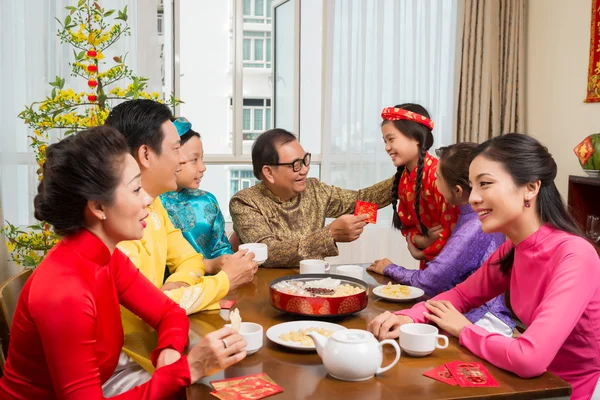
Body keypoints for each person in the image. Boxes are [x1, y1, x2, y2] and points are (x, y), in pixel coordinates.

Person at [0, 126, 247, 399]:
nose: (147, 200)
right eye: (136, 189)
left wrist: (170, 352)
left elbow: (169, 312)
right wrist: (189, 367)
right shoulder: (64, 292)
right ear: (98, 207)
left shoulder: (106, 258)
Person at [368, 134, 600, 400]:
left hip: (568, 389)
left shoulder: (575, 255)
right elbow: (462, 296)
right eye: (472, 186)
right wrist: (409, 316)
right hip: (525, 381)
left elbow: (530, 358)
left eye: (485, 184)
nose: (474, 198)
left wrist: (463, 328)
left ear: (531, 188)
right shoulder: (514, 248)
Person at [104, 100, 257, 388]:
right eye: (177, 151)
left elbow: (191, 260)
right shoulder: (116, 231)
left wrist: (176, 289)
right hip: (125, 359)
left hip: (146, 347)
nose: (182, 162)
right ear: (146, 155)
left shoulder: (155, 205)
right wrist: (223, 282)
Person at [367, 143, 514, 336]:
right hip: (460, 307)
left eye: (437, 178)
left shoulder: (476, 225)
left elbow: (430, 281)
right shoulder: (469, 216)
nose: (433, 183)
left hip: (481, 320)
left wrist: (390, 268)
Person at [230, 128, 393, 268]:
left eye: (305, 160)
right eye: (295, 165)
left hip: (313, 282)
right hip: (267, 289)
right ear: (269, 172)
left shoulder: (315, 190)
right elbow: (269, 251)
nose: (304, 170)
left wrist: (406, 174)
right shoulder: (245, 202)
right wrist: (329, 234)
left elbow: (362, 199)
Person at [381, 104, 460, 269]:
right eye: (385, 141)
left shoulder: (438, 176)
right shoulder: (403, 178)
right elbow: (407, 225)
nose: (387, 147)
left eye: (391, 139)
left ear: (416, 138)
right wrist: (421, 240)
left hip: (453, 265)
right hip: (430, 264)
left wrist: (421, 252)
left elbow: (453, 232)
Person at [160, 117, 233, 260]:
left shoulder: (207, 200)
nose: (203, 168)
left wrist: (230, 262)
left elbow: (220, 247)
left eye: (202, 159)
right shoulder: (151, 204)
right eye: (194, 160)